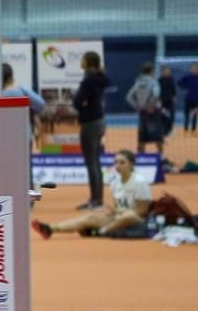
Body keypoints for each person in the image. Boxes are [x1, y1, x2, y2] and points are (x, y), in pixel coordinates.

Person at [33, 150, 151, 240]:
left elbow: (142, 211)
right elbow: (118, 207)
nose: (118, 165)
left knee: (128, 215)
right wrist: (114, 211)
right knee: (90, 217)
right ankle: (50, 228)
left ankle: (102, 231)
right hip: (118, 219)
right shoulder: (115, 183)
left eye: (122, 162)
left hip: (135, 220)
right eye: (116, 162)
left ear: (131, 164)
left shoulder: (139, 182)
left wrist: (121, 213)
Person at [72, 50, 110, 210]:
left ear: (89, 62)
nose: (81, 61)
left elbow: (77, 102)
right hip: (100, 121)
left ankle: (95, 200)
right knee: (96, 161)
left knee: (91, 162)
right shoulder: (101, 78)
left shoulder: (88, 80)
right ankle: (97, 199)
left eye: (83, 59)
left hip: (89, 123)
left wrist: (79, 103)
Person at [127, 63, 164, 158]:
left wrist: (137, 106)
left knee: (142, 134)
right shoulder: (153, 82)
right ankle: (161, 156)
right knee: (157, 134)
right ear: (151, 71)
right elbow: (156, 95)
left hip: (142, 112)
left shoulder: (138, 82)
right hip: (153, 111)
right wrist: (150, 106)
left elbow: (129, 97)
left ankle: (141, 156)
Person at [181, 64, 198, 134]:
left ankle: (193, 129)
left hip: (196, 99)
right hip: (188, 99)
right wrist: (185, 87)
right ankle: (185, 129)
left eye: (195, 68)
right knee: (186, 114)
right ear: (190, 69)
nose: (193, 69)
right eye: (192, 68)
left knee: (195, 115)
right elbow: (180, 83)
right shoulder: (188, 77)